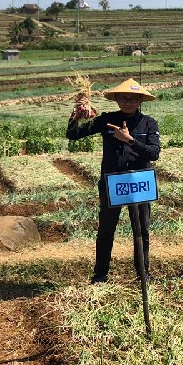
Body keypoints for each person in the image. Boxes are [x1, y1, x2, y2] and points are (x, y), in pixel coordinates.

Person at [66, 78, 160, 283]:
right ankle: (100, 276)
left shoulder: (149, 123)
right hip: (113, 183)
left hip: (139, 182)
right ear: (117, 99)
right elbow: (73, 135)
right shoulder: (106, 120)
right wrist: (77, 113)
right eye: (124, 98)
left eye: (133, 98)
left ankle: (143, 274)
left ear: (140, 100)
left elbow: (154, 154)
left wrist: (130, 140)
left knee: (141, 230)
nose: (128, 102)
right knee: (106, 230)